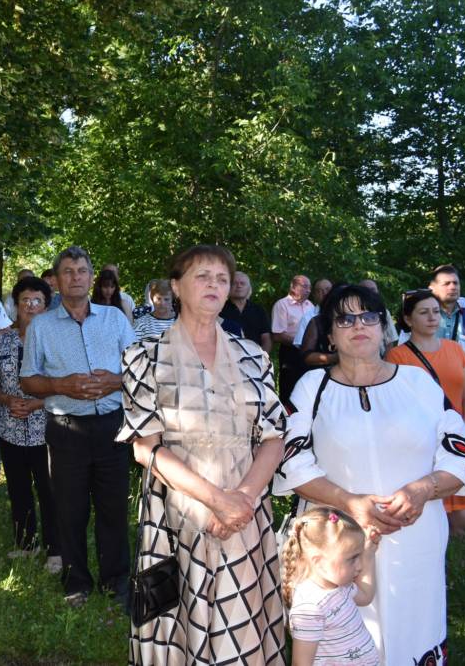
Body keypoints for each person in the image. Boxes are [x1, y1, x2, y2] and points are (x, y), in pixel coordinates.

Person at [275, 283, 465, 662]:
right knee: (343, 637)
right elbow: (292, 461)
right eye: (345, 318)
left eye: (369, 316)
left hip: (414, 532)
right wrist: (350, 502)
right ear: (330, 334)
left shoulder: (418, 382)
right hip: (337, 542)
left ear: (384, 326)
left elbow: (461, 453)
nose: (359, 325)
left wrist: (423, 489)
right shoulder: (310, 387)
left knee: (414, 631)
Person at [118, 244, 287, 663]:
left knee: (241, 615)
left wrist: (242, 499)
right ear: (176, 286)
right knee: (179, 616)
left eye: (222, 278)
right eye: (202, 276)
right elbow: (145, 446)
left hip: (246, 508)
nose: (214, 285)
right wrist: (216, 500)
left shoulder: (254, 357)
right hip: (179, 509)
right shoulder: (145, 357)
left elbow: (274, 436)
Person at [19, 246, 136, 608]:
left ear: (91, 277)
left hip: (112, 427)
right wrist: (62, 385)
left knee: (113, 507)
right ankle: (76, 582)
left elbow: (136, 368)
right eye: (68, 271)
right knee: (69, 509)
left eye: (82, 270)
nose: (75, 277)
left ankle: (116, 581)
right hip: (66, 428)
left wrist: (115, 381)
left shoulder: (114, 319)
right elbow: (28, 381)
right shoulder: (41, 325)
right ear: (57, 279)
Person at [386, 288, 465, 536]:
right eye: (424, 312)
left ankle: (459, 574)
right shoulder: (397, 356)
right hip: (421, 448)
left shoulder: (456, 350)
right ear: (408, 319)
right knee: (428, 520)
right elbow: (395, 407)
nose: (432, 317)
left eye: (436, 312)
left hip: (457, 444)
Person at [0, 276, 60, 573]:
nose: (30, 306)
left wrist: (36, 403)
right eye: (24, 301)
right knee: (18, 489)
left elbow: (63, 385)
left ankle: (56, 550)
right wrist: (6, 400)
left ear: (46, 305)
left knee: (50, 490)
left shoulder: (56, 339)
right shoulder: (3, 339)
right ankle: (26, 544)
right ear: (16, 306)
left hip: (47, 426)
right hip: (10, 426)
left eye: (37, 301)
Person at [281, 508, 380, 665]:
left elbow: (366, 596)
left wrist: (368, 554)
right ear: (319, 562)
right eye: (352, 558)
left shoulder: (340, 586)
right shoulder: (310, 607)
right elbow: (301, 663)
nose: (359, 566)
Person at [408, 264, 465, 366]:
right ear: (432, 289)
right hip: (423, 377)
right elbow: (407, 351)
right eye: (446, 284)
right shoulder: (417, 313)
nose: (453, 287)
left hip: (460, 378)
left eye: (455, 283)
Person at [271, 274, 314, 409]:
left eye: (310, 287)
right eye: (304, 286)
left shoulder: (310, 305)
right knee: (289, 390)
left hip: (309, 353)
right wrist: (300, 343)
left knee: (308, 388)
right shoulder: (282, 305)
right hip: (290, 353)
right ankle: (286, 423)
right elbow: (277, 335)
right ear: (293, 286)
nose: (308, 290)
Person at [220, 271, 272, 352]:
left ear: (249, 288)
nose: (239, 286)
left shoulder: (258, 310)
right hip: (227, 359)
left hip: (256, 359)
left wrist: (262, 358)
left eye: (242, 283)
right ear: (229, 287)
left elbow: (266, 338)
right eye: (235, 283)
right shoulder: (219, 310)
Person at [293, 278, 332, 348]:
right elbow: (299, 344)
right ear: (314, 295)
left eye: (328, 289)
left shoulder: (343, 314)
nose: (325, 293)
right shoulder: (307, 317)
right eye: (319, 291)